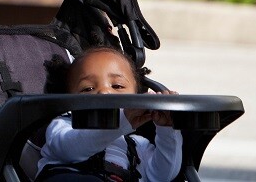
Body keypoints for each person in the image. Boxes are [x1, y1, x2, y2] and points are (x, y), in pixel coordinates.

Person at [37, 46, 183, 182]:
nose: (104, 92)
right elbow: (71, 149)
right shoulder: (63, 126)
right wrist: (119, 121)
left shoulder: (138, 145)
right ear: (69, 99)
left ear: (137, 95)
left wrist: (167, 129)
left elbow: (161, 176)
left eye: (117, 86)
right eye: (88, 89)